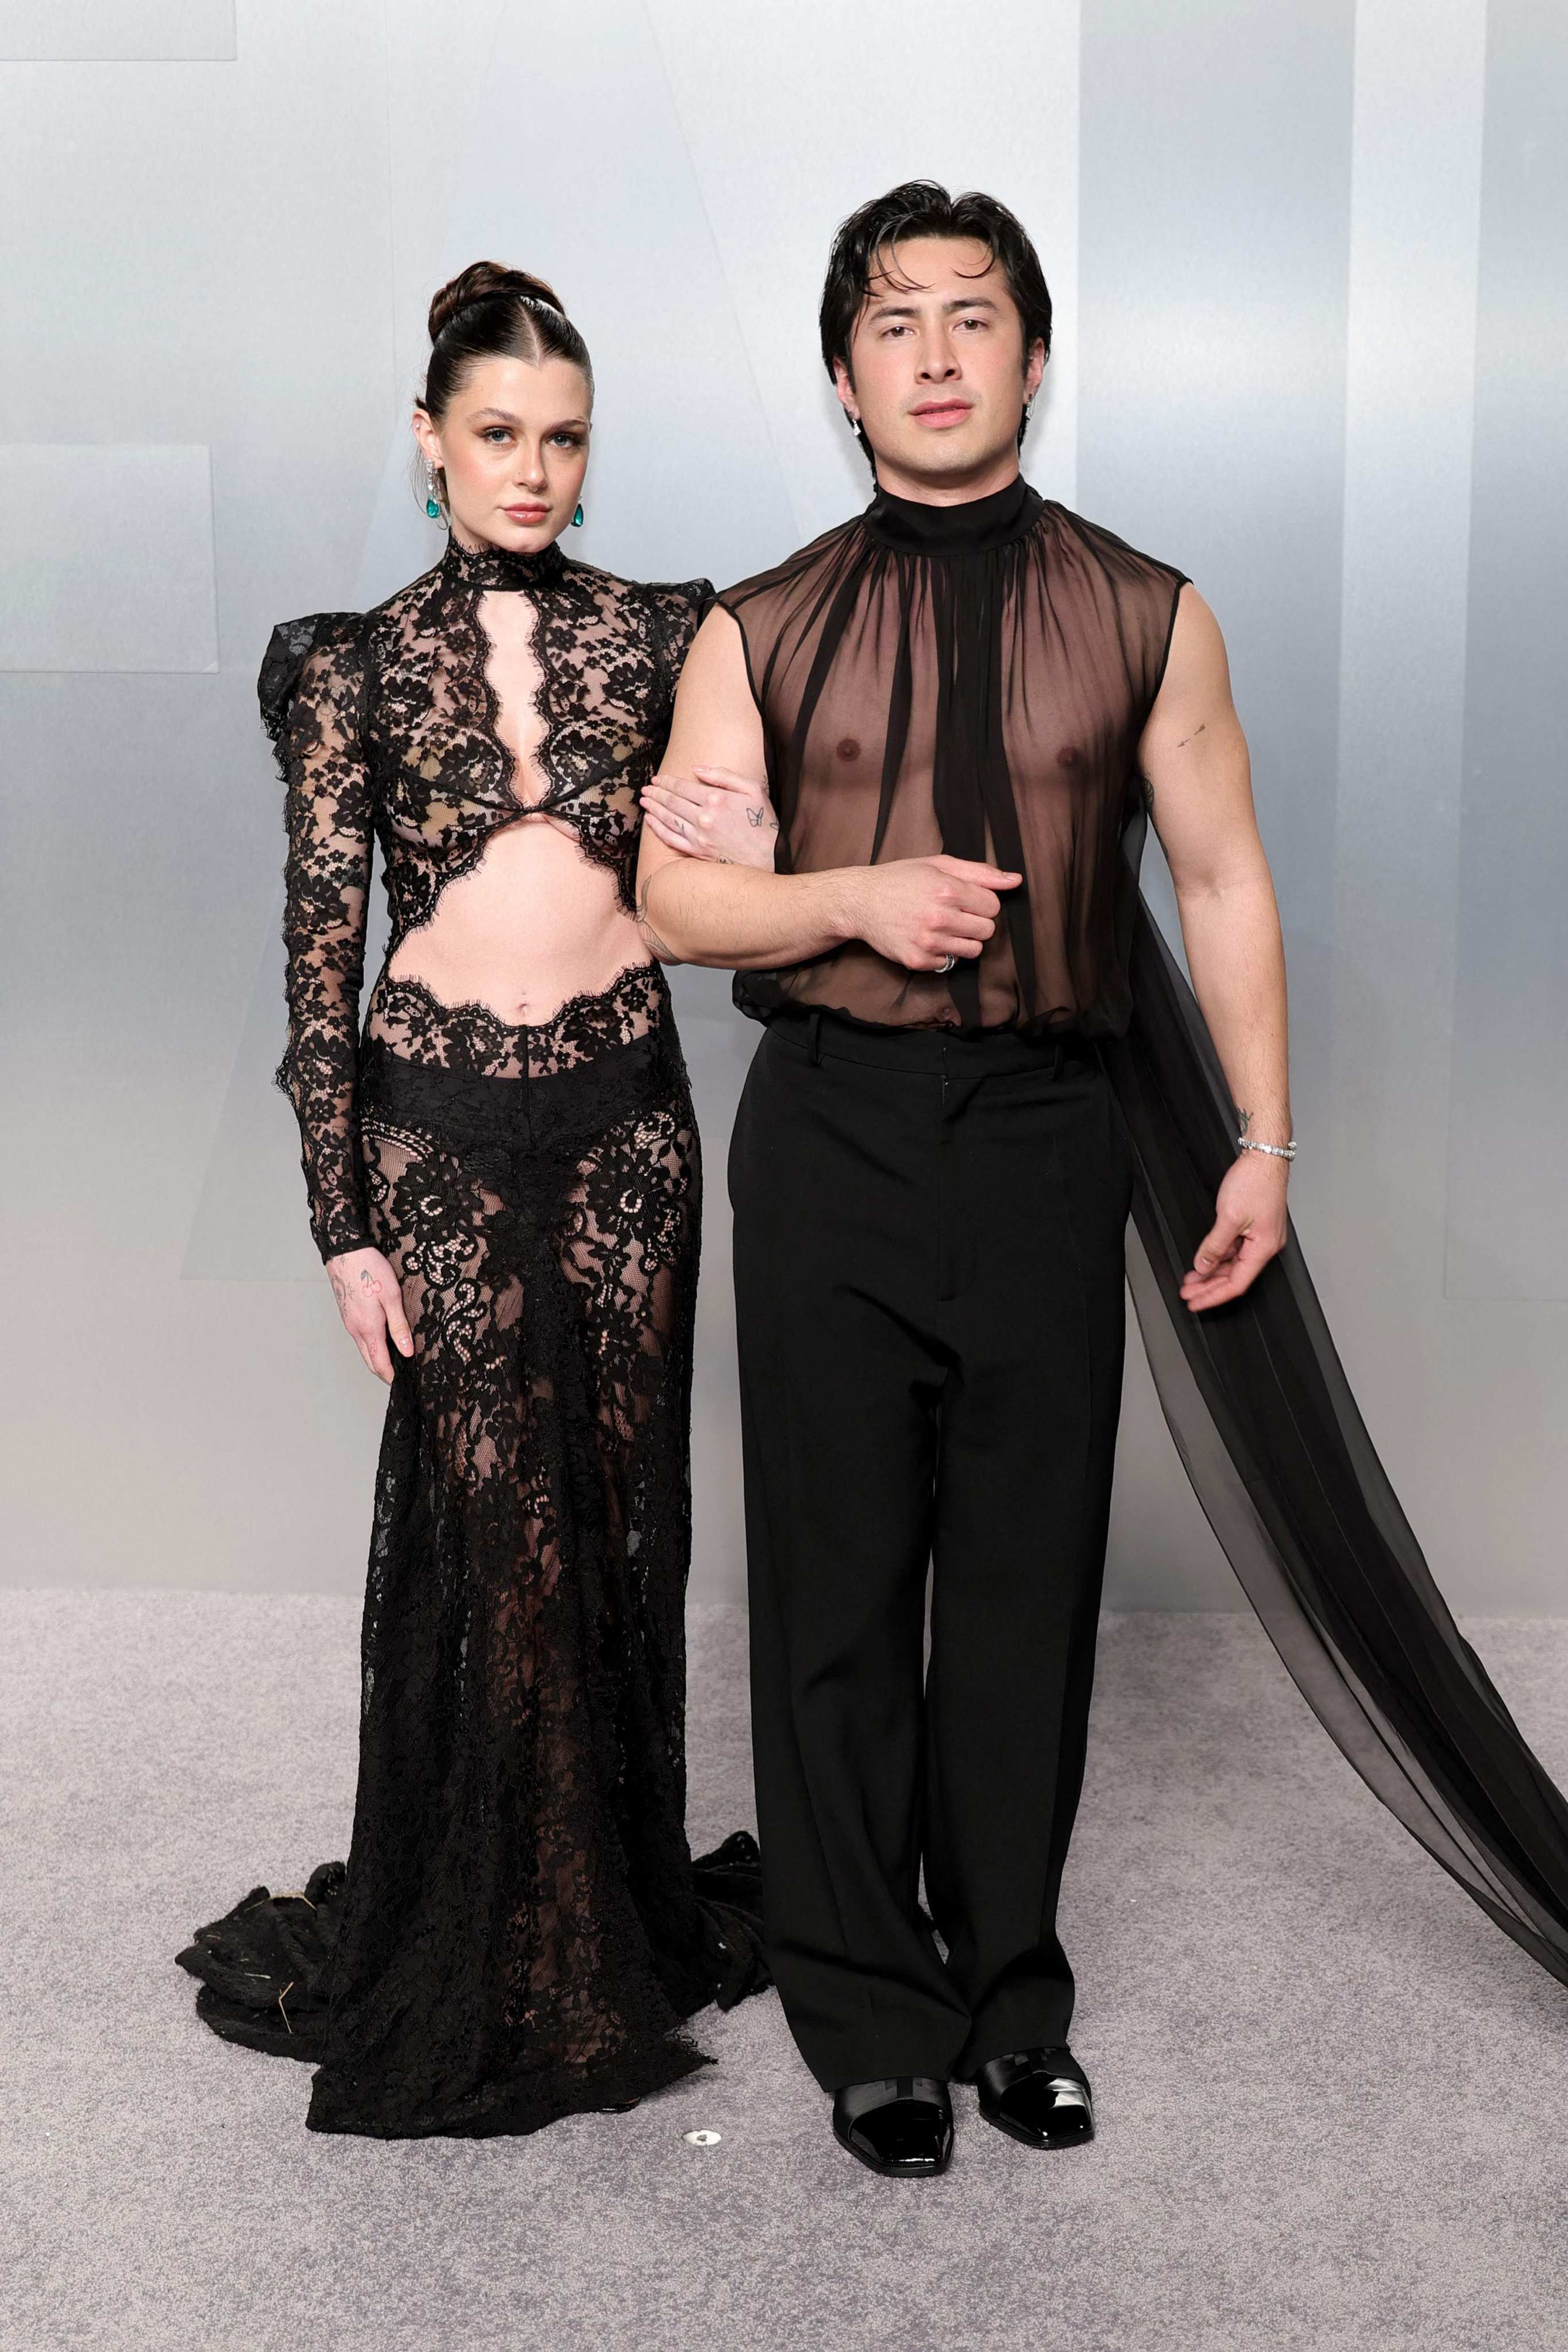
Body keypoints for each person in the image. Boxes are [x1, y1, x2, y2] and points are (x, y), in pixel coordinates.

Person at [635, 181, 1568, 2180]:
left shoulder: (1149, 608)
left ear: (1035, 358)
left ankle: (1010, 1999)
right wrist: (851, 892)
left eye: (976, 317)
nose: (940, 353)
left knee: (1024, 1587)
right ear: (839, 375)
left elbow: (1222, 882)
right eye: (896, 323)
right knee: (831, 1586)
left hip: (1057, 1140)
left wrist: (1264, 1140)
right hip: (831, 1139)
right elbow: (675, 899)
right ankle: (866, 2007)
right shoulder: (757, 622)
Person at [176, 261, 767, 2139]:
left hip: (626, 1122)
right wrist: (339, 1222)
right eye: (498, 434)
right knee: (487, 1522)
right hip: (429, 1124)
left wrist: (747, 842)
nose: (534, 469)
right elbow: (310, 969)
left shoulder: (676, 634)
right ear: (426, 444)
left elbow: (726, 901)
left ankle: (604, 1907)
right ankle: (480, 1931)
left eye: (564, 437)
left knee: (619, 1512)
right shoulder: (345, 662)